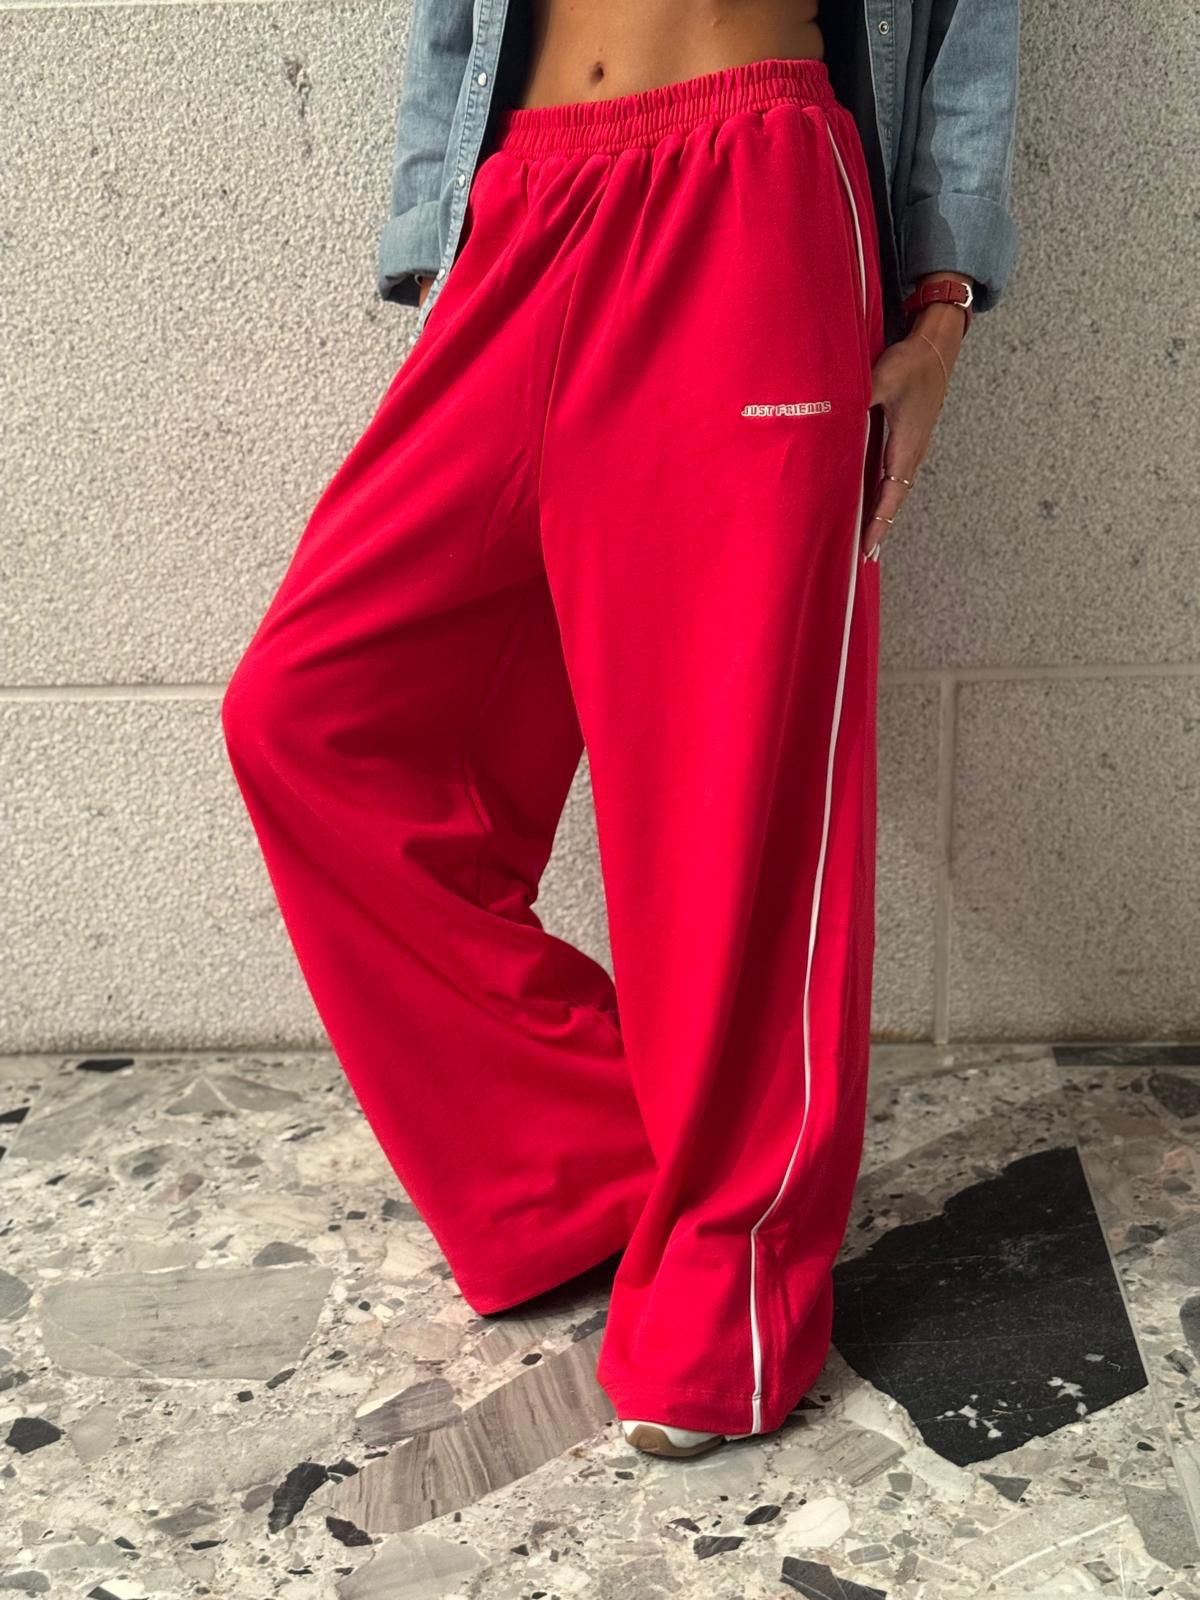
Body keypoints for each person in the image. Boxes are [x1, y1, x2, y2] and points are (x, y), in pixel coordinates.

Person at [221, 0, 1020, 1460]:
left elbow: (969, 23)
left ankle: (729, 1293)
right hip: (523, 194)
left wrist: (945, 300)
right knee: (315, 715)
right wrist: (442, 238)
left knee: (727, 782)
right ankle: (590, 1170)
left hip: (753, 183)